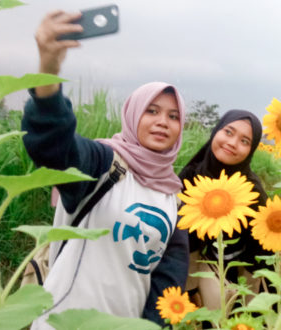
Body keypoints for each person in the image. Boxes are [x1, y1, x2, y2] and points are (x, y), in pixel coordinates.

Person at [22, 10, 188, 328]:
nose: (162, 122)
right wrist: (48, 71)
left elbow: (168, 279)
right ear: (133, 114)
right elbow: (55, 147)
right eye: (151, 111)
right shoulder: (104, 164)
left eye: (173, 116)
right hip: (63, 322)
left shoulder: (172, 195)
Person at [178, 110, 272, 312]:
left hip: (245, 271)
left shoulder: (251, 190)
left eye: (244, 141)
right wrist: (190, 288)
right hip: (204, 263)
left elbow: (261, 250)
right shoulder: (192, 175)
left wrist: (249, 299)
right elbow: (184, 235)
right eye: (228, 132)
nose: (232, 143)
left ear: (251, 150)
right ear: (215, 132)